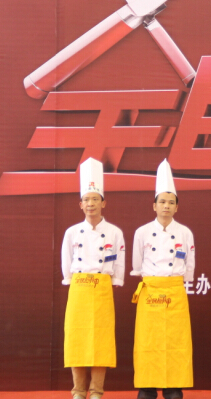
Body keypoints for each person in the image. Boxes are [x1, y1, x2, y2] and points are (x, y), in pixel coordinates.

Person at [131, 159, 195, 399]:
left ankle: (173, 387)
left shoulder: (185, 232)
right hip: (151, 291)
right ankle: (147, 387)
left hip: (175, 290)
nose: (166, 206)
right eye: (162, 202)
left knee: (176, 341)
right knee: (148, 341)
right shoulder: (142, 232)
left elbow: (190, 264)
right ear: (154, 205)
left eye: (171, 202)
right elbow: (137, 265)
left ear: (177, 207)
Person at [61, 157, 125, 399]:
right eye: (86, 200)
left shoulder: (114, 232)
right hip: (79, 287)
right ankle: (78, 391)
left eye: (95, 199)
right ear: (80, 204)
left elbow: (119, 259)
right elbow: (66, 261)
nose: (91, 204)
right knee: (77, 338)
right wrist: (70, 279)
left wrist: (116, 279)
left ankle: (97, 390)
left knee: (101, 339)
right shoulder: (71, 232)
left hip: (102, 287)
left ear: (103, 202)